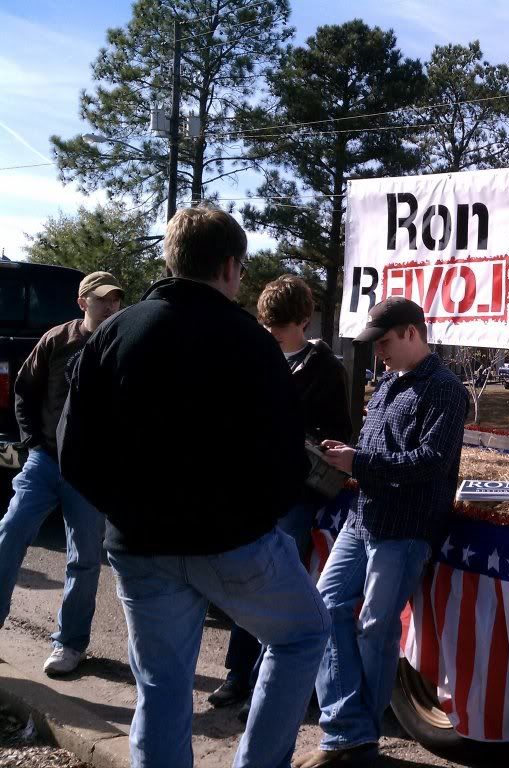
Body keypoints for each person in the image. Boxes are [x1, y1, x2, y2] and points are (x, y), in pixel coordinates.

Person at [58, 207, 330, 768]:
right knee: (303, 635)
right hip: (235, 544)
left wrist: (126, 510)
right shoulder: (254, 345)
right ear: (231, 267)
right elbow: (286, 455)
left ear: (170, 258)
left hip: (139, 546)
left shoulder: (115, 332)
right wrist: (253, 517)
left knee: (160, 687)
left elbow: (74, 449)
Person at [292, 297, 469, 768]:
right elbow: (381, 450)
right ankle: (349, 731)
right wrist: (349, 453)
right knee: (325, 607)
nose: (379, 354)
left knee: (375, 629)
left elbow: (430, 463)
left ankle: (354, 742)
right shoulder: (390, 381)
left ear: (413, 333)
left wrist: (358, 461)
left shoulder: (446, 390)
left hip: (406, 528)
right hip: (364, 518)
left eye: (385, 342)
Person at [209, 274, 353, 710]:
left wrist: (301, 437)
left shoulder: (326, 368)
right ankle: (239, 673)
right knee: (244, 579)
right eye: (266, 324)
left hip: (296, 489)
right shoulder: (254, 356)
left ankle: (261, 681)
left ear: (303, 322)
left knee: (270, 581)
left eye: (278, 327)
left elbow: (340, 434)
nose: (270, 333)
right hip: (254, 487)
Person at [0, 271, 122, 676]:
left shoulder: (121, 344)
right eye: (102, 299)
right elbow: (24, 389)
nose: (110, 307)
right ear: (82, 301)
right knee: (10, 533)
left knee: (85, 558)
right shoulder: (57, 339)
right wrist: (32, 441)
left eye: (115, 300)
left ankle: (69, 645)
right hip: (45, 461)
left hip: (89, 473)